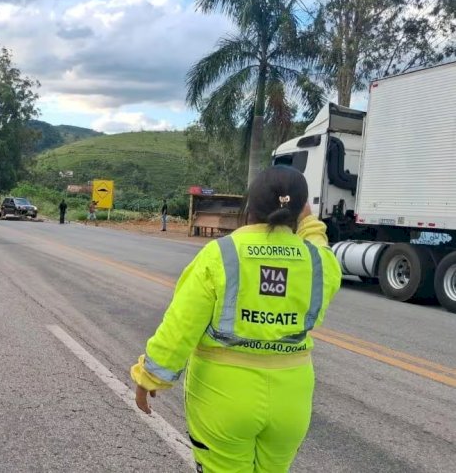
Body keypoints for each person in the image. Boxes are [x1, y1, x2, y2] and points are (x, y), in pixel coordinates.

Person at [130, 166, 342, 472]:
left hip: (224, 398)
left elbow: (181, 325)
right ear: (300, 209)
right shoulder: (320, 261)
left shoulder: (221, 254)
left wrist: (150, 376)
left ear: (249, 206)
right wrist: (308, 221)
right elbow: (318, 242)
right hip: (291, 402)